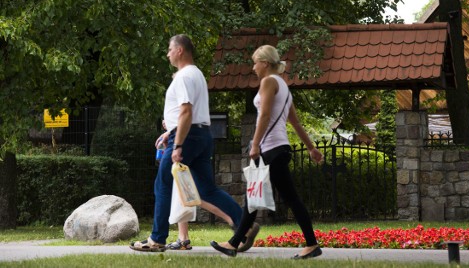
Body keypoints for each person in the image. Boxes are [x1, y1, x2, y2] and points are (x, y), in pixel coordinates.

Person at [131, 34, 254, 252]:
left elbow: (186, 111)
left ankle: (157, 239)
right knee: (207, 190)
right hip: (202, 135)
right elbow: (190, 113)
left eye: (169, 49)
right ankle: (246, 224)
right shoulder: (196, 74)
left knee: (163, 185)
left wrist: (177, 144)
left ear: (179, 50)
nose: (167, 54)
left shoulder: (184, 76)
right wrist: (171, 132)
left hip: (187, 138)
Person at [211, 45, 324, 260]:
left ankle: (311, 244)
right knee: (255, 197)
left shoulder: (268, 82)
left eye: (255, 62)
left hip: (270, 149)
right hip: (278, 148)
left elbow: (263, 116)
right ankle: (234, 243)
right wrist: (310, 147)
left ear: (265, 63)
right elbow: (295, 123)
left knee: (284, 197)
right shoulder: (284, 86)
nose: (253, 67)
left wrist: (254, 144)